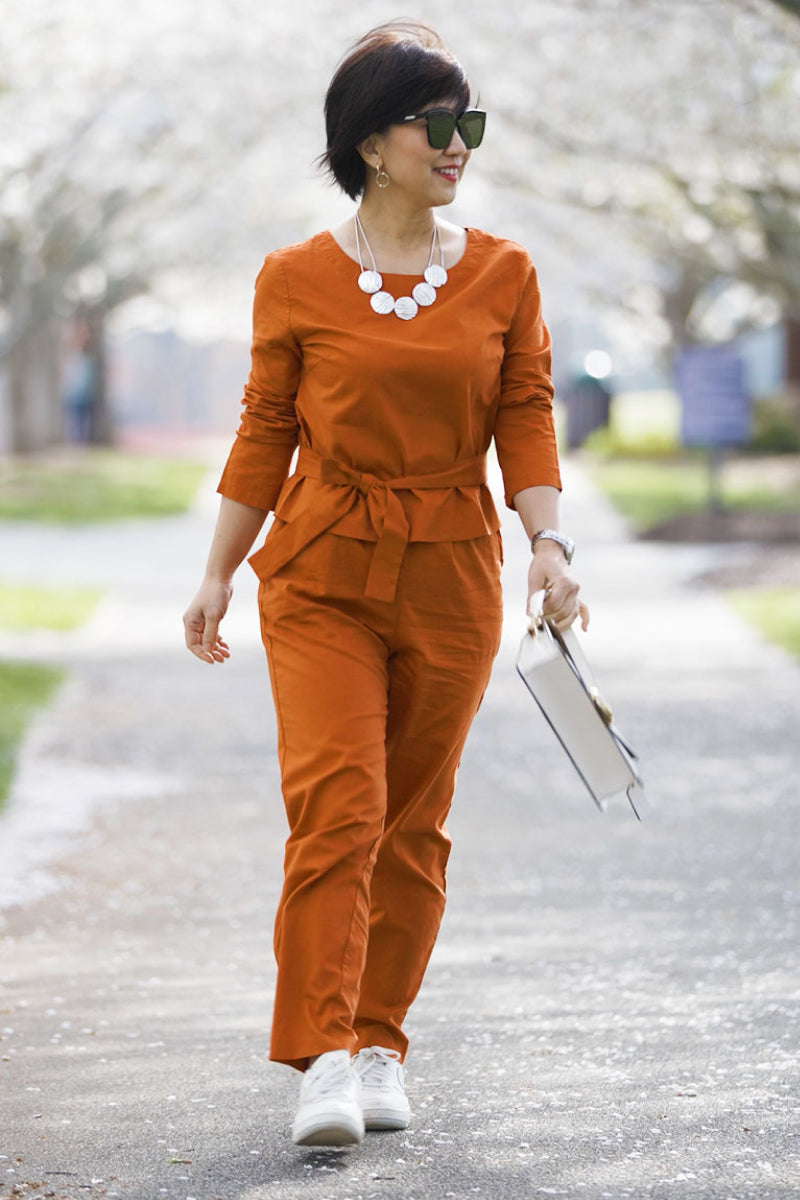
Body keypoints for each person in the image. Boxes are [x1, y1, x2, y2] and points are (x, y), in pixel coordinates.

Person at [183, 19, 587, 1149]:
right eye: (434, 123)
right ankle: (319, 1056)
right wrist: (217, 573)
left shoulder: (503, 272)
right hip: (320, 570)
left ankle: (377, 1042)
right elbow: (265, 432)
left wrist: (550, 545)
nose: (457, 144)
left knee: (411, 824)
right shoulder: (295, 278)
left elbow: (526, 413)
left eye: (470, 123)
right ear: (371, 143)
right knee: (336, 810)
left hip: (452, 568)